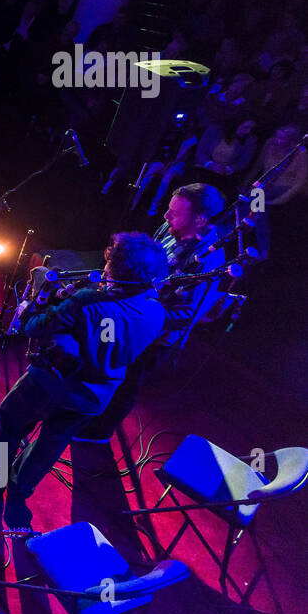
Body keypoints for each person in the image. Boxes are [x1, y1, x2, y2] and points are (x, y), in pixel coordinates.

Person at [0, 232, 169, 528]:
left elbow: (31, 327)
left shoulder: (88, 302)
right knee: (50, 444)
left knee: (10, 421)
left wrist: (37, 294)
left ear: (115, 270)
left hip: (49, 383)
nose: (103, 268)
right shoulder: (157, 312)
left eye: (108, 263)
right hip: (93, 397)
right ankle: (19, 493)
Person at [77, 184, 229, 442]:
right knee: (105, 366)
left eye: (175, 214)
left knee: (127, 382)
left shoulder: (210, 259)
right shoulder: (169, 231)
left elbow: (187, 313)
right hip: (130, 316)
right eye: (169, 210)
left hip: (154, 335)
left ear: (200, 220)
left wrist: (139, 322)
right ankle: (87, 412)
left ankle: (99, 432)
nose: (166, 217)